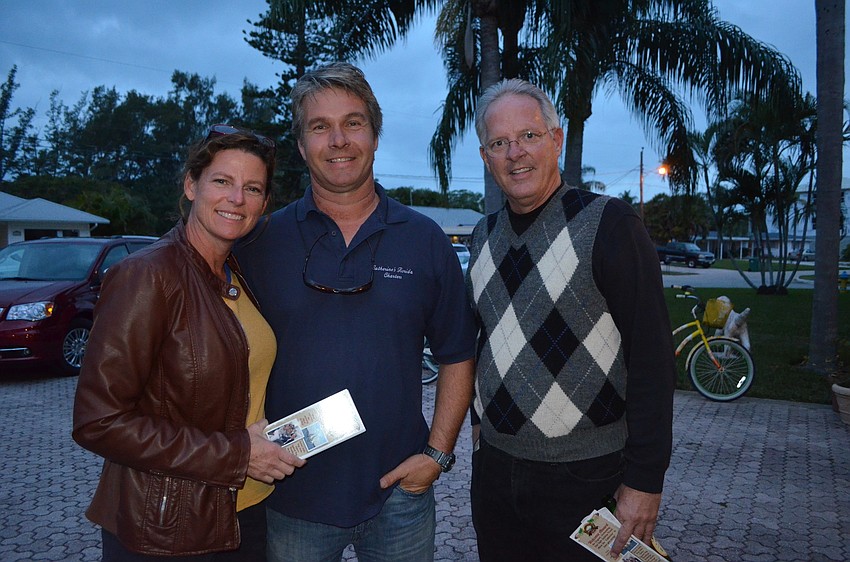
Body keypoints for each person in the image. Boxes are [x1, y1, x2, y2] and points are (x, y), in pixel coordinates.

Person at [235, 62, 476, 562]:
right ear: (302, 146)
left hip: (399, 496)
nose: (338, 140)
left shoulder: (424, 240)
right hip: (290, 496)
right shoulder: (260, 241)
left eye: (353, 122)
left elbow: (457, 354)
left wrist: (436, 455)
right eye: (320, 127)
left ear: (375, 135)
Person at [72, 125, 305, 561]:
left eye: (252, 188)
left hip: (245, 512)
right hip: (167, 527)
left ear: (264, 202)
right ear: (191, 185)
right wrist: (236, 454)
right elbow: (97, 422)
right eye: (222, 181)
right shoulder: (148, 276)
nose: (237, 198)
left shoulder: (235, 272)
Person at [466, 78, 676, 561]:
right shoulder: (483, 236)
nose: (515, 153)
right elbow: (487, 338)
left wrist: (644, 481)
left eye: (530, 136)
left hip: (588, 476)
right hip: (497, 475)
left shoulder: (610, 225)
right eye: (500, 143)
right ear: (485, 156)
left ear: (556, 140)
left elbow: (652, 359)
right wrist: (481, 429)